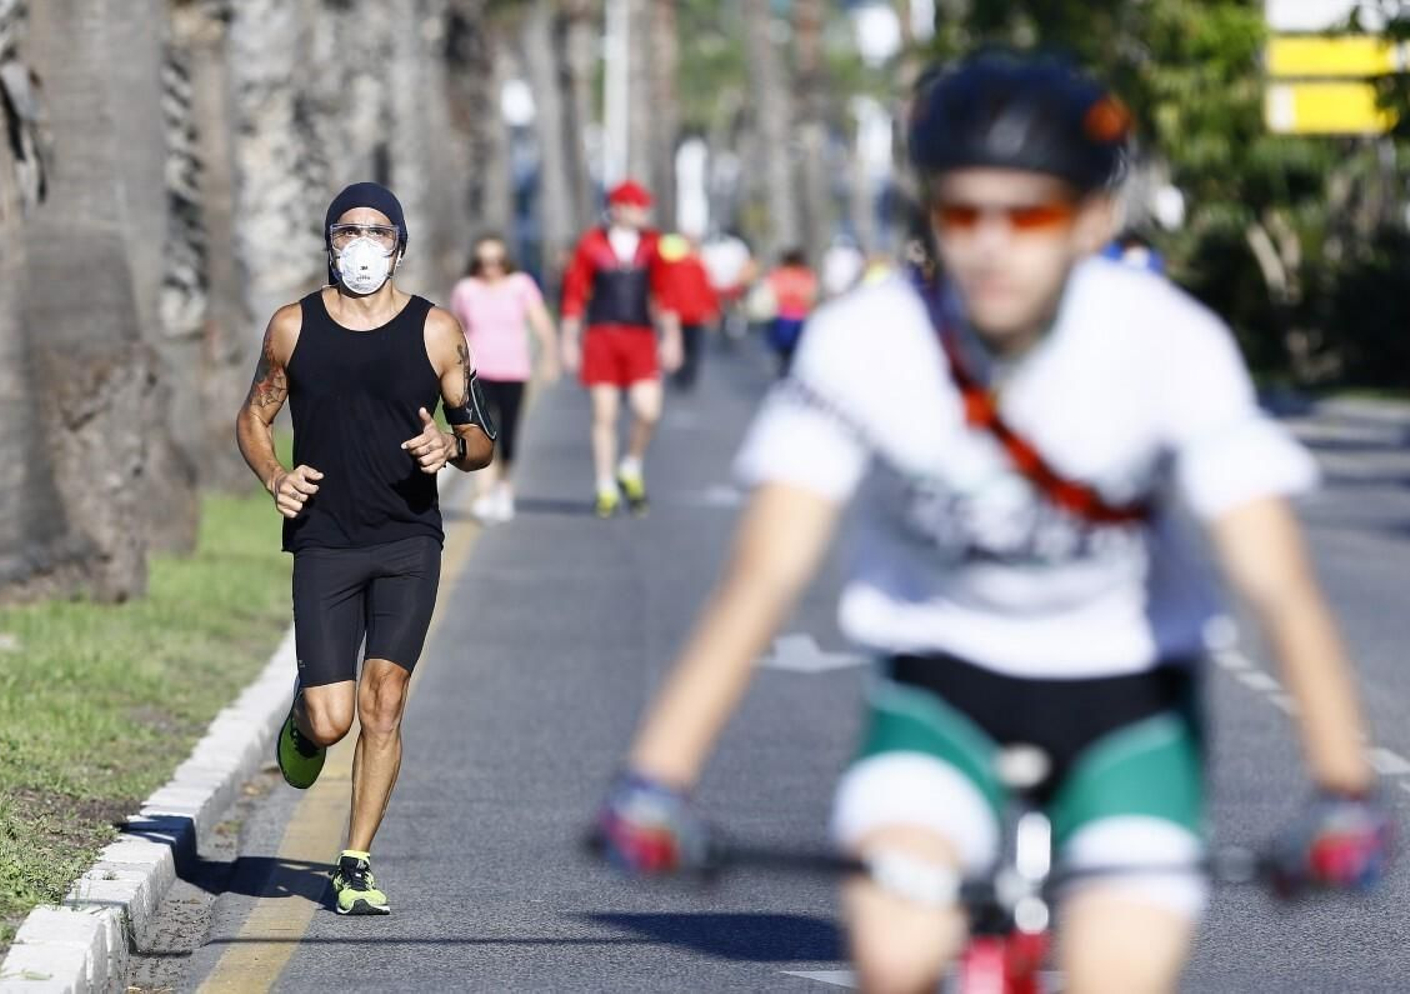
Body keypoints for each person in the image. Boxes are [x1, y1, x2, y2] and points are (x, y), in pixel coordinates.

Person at [596, 53, 1390, 992]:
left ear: (1092, 219)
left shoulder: (1170, 345)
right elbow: (763, 574)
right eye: (963, 212)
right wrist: (657, 777)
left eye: (1031, 215)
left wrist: (1344, 790)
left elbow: (1276, 582)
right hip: (942, 689)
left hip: (1127, 700)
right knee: (895, 949)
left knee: (1116, 972)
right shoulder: (865, 342)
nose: (992, 245)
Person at [235, 181, 495, 916]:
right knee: (332, 721)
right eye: (347, 231)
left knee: (385, 703)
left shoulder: (438, 330)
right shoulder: (292, 327)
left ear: (399, 245)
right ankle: (302, 718)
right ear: (328, 243)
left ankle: (353, 861)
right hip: (325, 539)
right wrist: (275, 478)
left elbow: (479, 439)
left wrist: (451, 445)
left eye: (378, 231)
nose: (362, 243)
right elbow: (254, 418)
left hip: (409, 538)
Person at [559, 180, 684, 518]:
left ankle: (630, 465)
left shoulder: (653, 245)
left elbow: (664, 293)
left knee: (649, 410)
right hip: (601, 335)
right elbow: (574, 295)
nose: (643, 212)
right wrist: (569, 340)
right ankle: (605, 485)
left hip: (641, 336)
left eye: (644, 206)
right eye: (636, 206)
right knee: (605, 414)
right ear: (617, 208)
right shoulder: (591, 245)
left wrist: (672, 337)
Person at [449, 234, 560, 524]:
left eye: (497, 261)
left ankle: (504, 487)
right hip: (477, 373)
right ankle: (484, 494)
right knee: (482, 432)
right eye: (484, 262)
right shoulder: (466, 289)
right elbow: (452, 330)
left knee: (508, 434)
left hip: (513, 370)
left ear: (505, 262)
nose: (490, 268)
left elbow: (541, 323)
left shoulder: (520, 286)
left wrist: (550, 357)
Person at [654, 232, 720, 393]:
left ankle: (684, 375)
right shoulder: (680, 266)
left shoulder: (693, 266)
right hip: (685, 315)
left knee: (689, 348)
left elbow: (706, 290)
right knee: (688, 348)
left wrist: (711, 310)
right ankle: (684, 375)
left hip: (689, 315)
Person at [762, 248, 818, 375]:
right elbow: (809, 297)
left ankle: (784, 370)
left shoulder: (778, 274)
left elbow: (772, 294)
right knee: (797, 351)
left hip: (781, 317)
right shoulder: (806, 275)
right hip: (800, 318)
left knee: (782, 351)